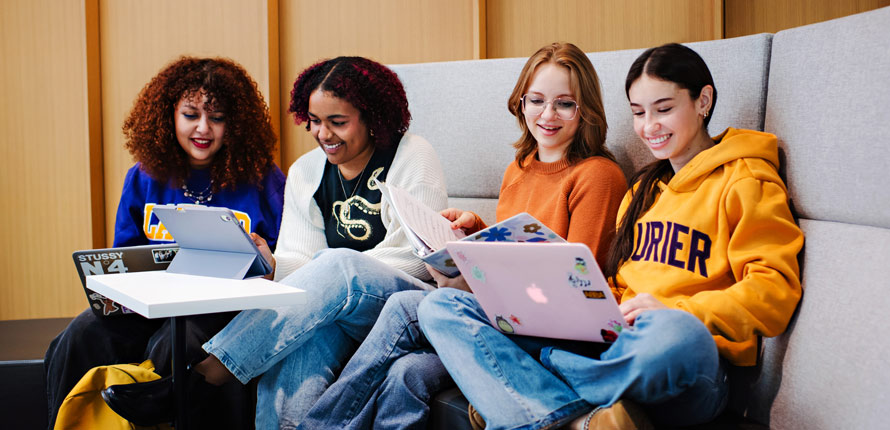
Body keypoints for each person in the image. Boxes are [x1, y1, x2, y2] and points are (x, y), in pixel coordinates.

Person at [419, 42, 805, 430]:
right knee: (441, 307)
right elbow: (616, 282)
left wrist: (678, 311)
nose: (648, 126)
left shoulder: (746, 180)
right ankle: (569, 415)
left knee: (676, 335)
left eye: (664, 109)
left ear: (703, 100)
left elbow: (775, 291)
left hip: (681, 360)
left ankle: (519, 393)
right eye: (639, 113)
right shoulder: (642, 191)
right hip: (609, 344)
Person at [100, 56, 449, 429]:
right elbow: (300, 262)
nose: (323, 135)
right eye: (314, 122)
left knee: (339, 265)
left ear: (373, 118)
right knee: (291, 397)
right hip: (333, 309)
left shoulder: (412, 155)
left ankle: (206, 376)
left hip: (399, 302)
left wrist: (332, 274)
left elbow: (417, 258)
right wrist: (274, 264)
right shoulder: (306, 171)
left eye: (338, 123)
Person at [298, 42, 628, 430]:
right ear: (520, 103)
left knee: (406, 307)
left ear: (585, 109)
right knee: (406, 374)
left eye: (565, 104)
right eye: (536, 100)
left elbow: (575, 289)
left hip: (541, 328)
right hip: (502, 315)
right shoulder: (518, 169)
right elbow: (516, 250)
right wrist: (474, 237)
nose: (547, 115)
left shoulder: (598, 175)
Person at [44, 56, 286, 429]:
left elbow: (286, 259)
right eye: (190, 115)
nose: (203, 128)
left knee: (179, 343)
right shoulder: (142, 177)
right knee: (80, 335)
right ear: (168, 116)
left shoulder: (263, 179)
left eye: (217, 118)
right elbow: (124, 258)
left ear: (234, 124)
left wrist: (268, 259)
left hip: (223, 314)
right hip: (150, 307)